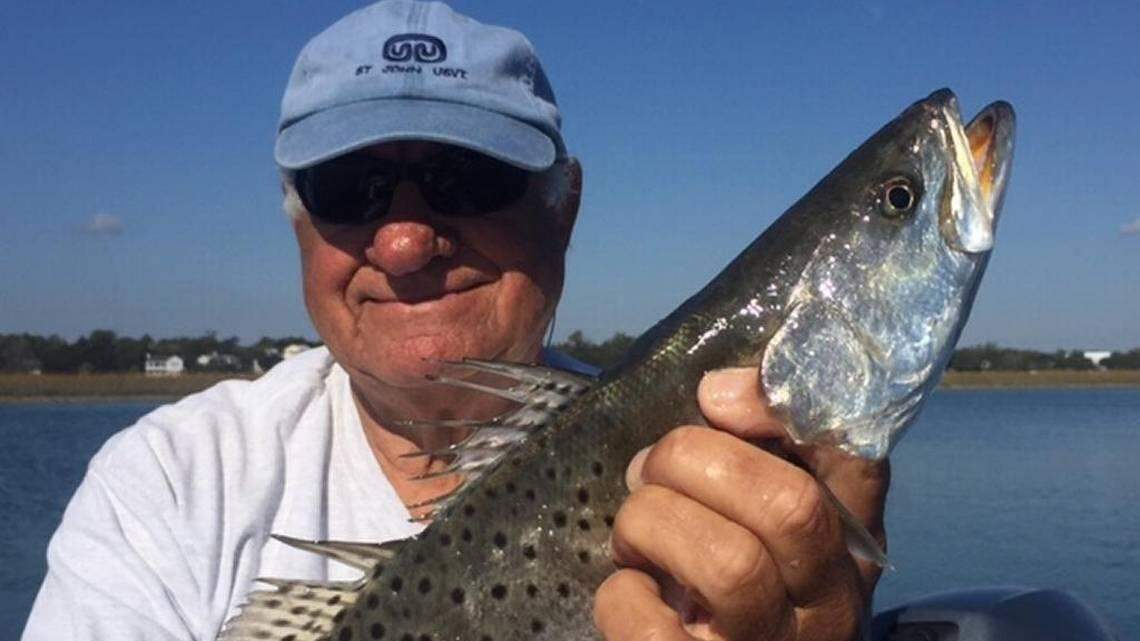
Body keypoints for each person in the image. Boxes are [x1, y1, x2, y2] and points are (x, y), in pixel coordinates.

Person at [22, 2, 888, 640]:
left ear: (565, 210)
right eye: (349, 192)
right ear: (298, 222)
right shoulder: (165, 487)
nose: (402, 242)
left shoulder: (735, 468)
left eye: (467, 180)